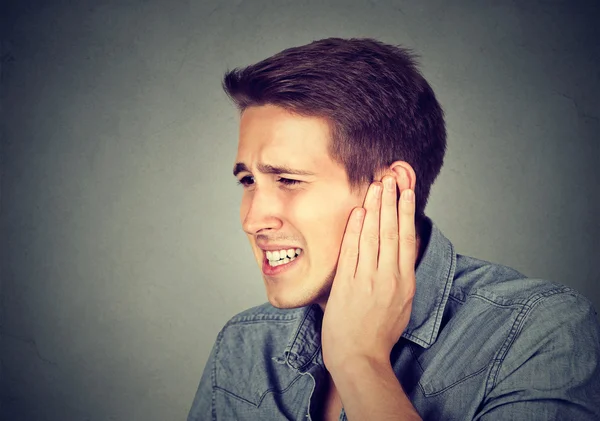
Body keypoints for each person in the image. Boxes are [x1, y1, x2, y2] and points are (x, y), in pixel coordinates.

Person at [187, 38, 600, 421]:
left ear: (391, 188)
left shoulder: (538, 332)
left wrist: (358, 361)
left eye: (289, 180)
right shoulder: (244, 344)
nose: (252, 219)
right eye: (248, 181)